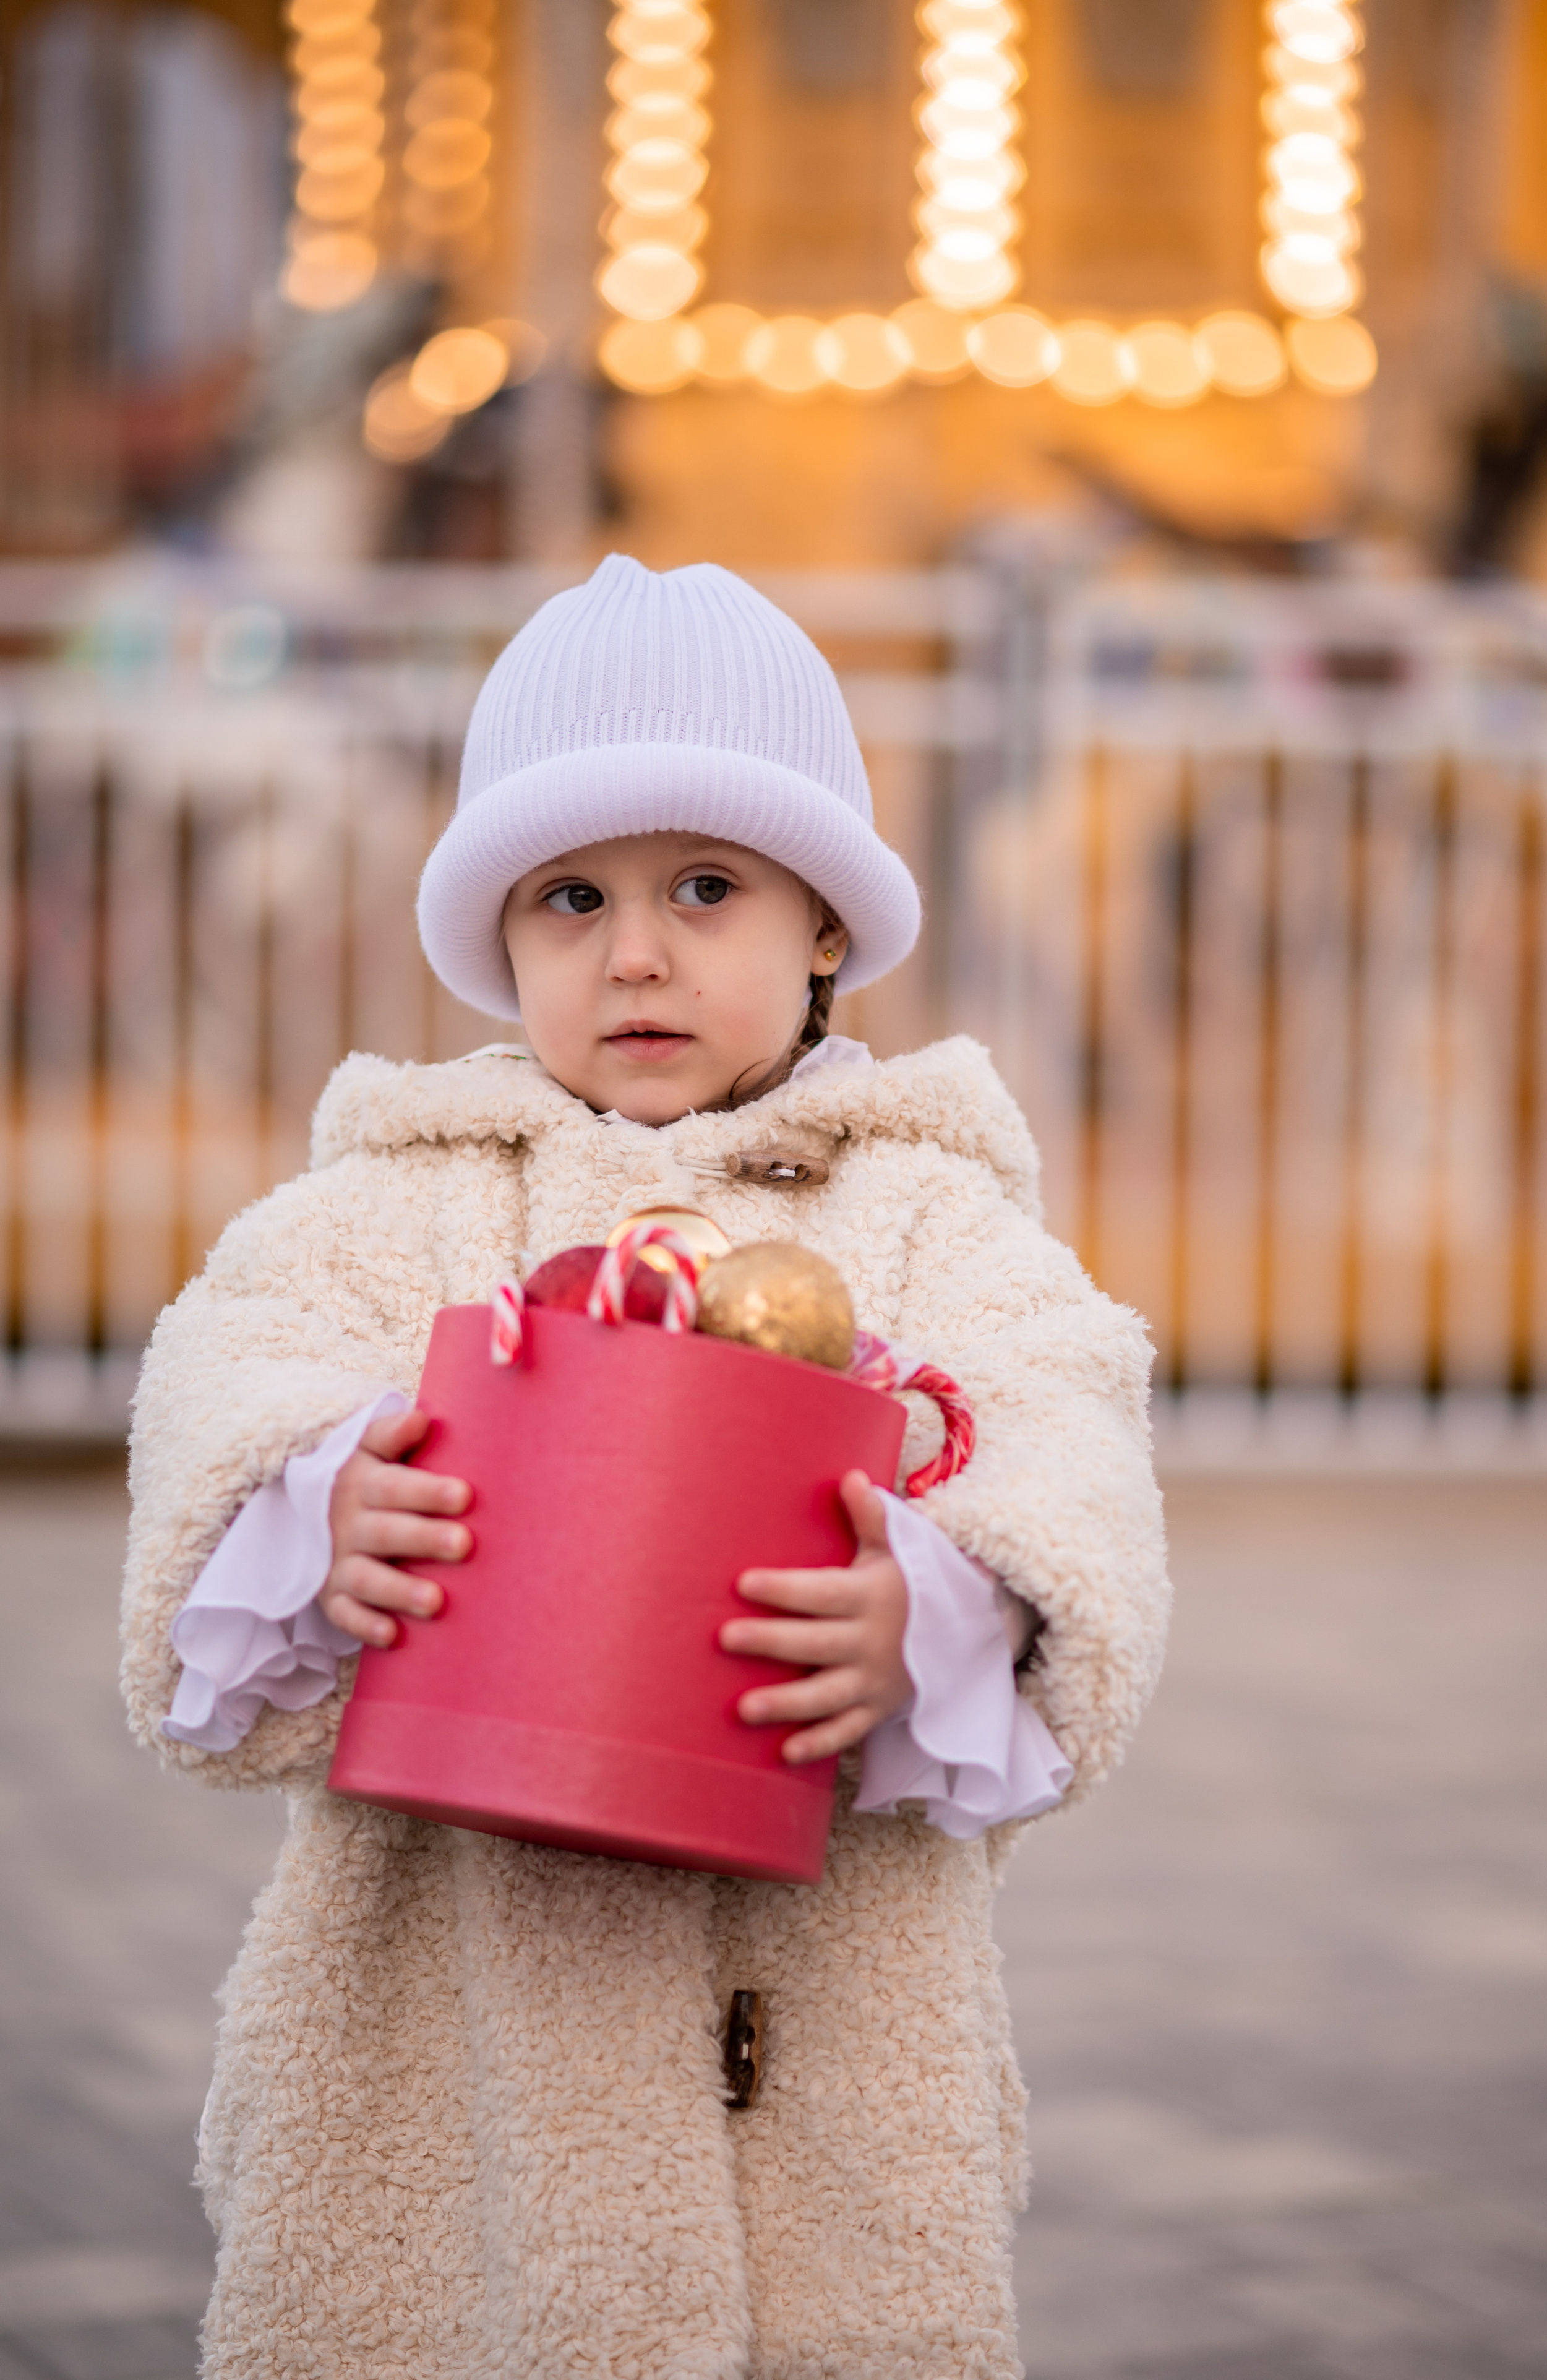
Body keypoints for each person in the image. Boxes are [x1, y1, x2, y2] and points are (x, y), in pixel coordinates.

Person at [119, 556, 1170, 2380]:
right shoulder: (401, 1198)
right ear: (502, 937)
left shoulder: (926, 1213)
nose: (634, 954)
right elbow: (227, 1364)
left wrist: (938, 1609)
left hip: (824, 2054)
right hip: (446, 2066)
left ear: (825, 923)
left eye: (706, 886)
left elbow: (1066, 1428)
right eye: (571, 898)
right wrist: (317, 1497)